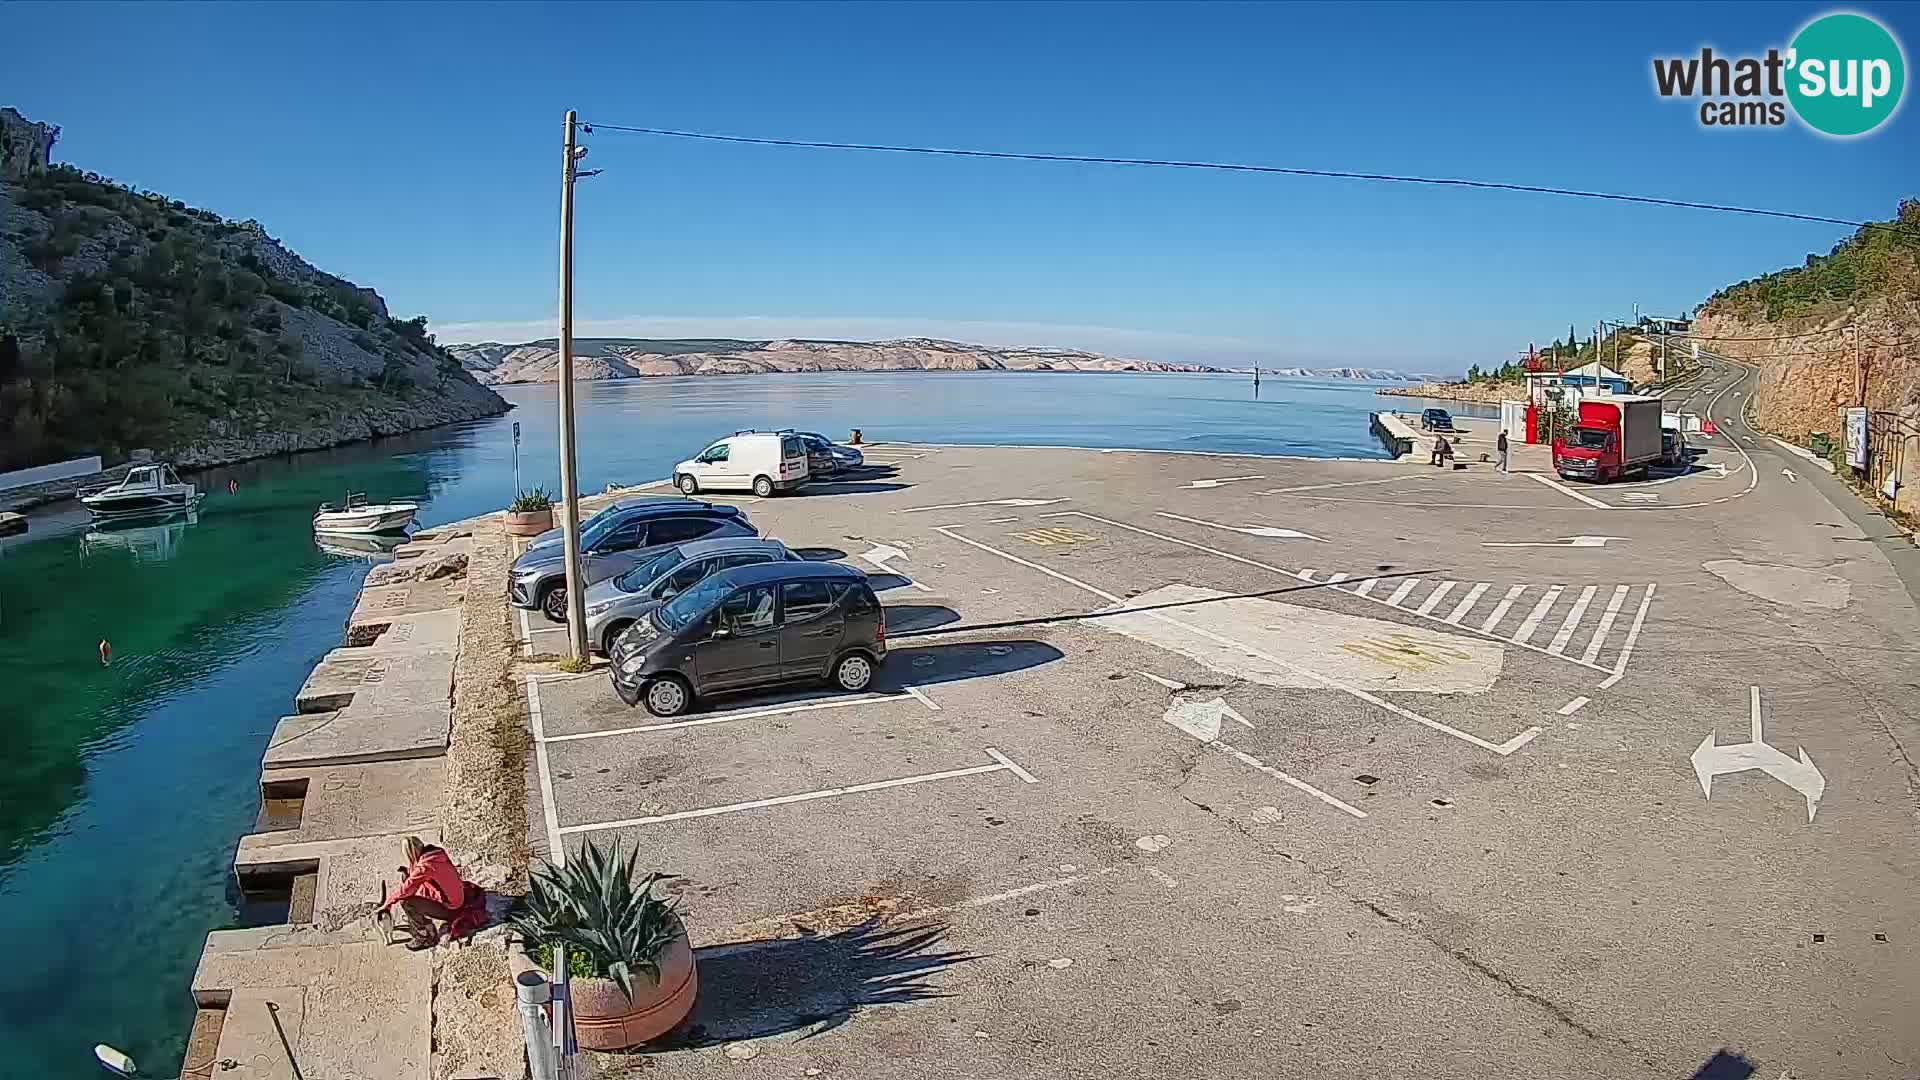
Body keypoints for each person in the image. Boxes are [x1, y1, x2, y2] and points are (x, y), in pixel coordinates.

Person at [379, 836, 467, 950]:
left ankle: (424, 937)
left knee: (407, 902)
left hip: (451, 908)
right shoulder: (435, 854)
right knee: (409, 881)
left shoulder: (425, 866)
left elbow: (406, 888)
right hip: (459, 898)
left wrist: (387, 904)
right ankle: (424, 924)